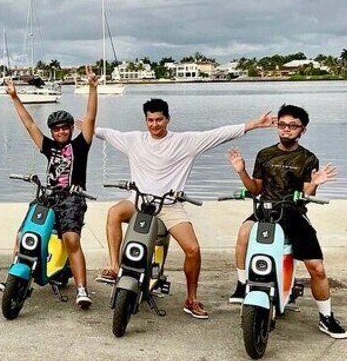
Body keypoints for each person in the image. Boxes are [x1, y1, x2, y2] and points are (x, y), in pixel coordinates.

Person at [95, 98, 275, 319]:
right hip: (138, 201)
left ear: (167, 120)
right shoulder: (134, 140)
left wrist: (255, 124)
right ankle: (115, 267)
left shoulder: (185, 142)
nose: (154, 124)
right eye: (150, 120)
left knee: (193, 249)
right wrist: (87, 123)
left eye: (159, 119)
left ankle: (191, 299)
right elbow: (103, 132)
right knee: (113, 213)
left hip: (169, 207)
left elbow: (219, 134)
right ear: (146, 121)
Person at [226, 104, 347, 339]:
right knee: (244, 232)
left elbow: (307, 194)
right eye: (282, 125)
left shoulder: (308, 158)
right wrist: (241, 172)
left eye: (293, 126)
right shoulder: (265, 154)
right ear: (277, 126)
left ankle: (326, 316)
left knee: (317, 268)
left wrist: (314, 184)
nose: (286, 129)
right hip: (265, 211)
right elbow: (256, 189)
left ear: (302, 130)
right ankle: (242, 285)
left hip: (292, 213)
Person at [3, 66, 99, 308]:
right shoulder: (49, 146)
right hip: (49, 198)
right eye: (57, 129)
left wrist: (92, 88)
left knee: (71, 239)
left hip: (72, 198)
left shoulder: (80, 145)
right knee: (23, 234)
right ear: (52, 132)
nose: (61, 131)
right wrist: (15, 97)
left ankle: (81, 289)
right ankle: (13, 274)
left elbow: (90, 118)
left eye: (65, 127)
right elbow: (29, 124)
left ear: (71, 129)